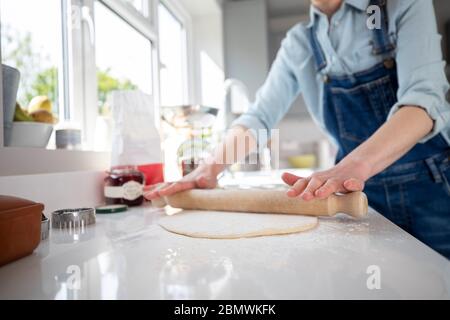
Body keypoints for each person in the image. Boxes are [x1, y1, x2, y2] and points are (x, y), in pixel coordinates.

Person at [146, 0, 450, 259]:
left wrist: (352, 166)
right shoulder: (300, 42)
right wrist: (209, 169)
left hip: (431, 185)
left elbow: (423, 103)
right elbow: (260, 118)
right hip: (354, 197)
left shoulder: (402, 5)